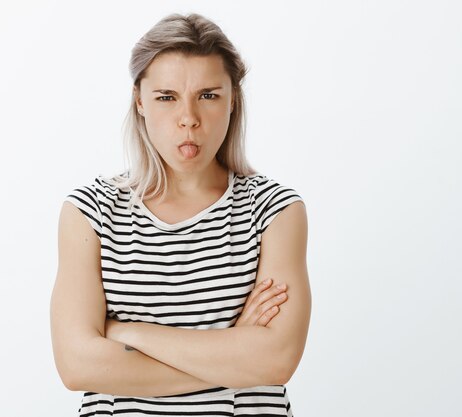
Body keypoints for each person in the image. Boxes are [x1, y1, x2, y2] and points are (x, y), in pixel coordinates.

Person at [50, 12, 311, 416]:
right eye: (166, 97)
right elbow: (77, 365)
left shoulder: (274, 210)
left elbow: (275, 360)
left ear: (232, 100)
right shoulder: (91, 212)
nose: (188, 118)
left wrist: (127, 332)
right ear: (139, 100)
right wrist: (236, 352)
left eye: (208, 95)